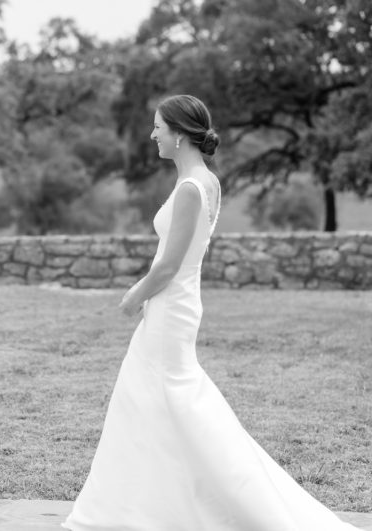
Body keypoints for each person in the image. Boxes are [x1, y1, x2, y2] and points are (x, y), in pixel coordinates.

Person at [61, 95, 360, 531]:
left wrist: (134, 296)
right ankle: (142, 507)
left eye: (158, 127)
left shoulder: (189, 188)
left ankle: (134, 511)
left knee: (167, 400)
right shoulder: (208, 182)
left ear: (179, 134)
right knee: (150, 402)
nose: (153, 134)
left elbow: (169, 263)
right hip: (179, 305)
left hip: (170, 307)